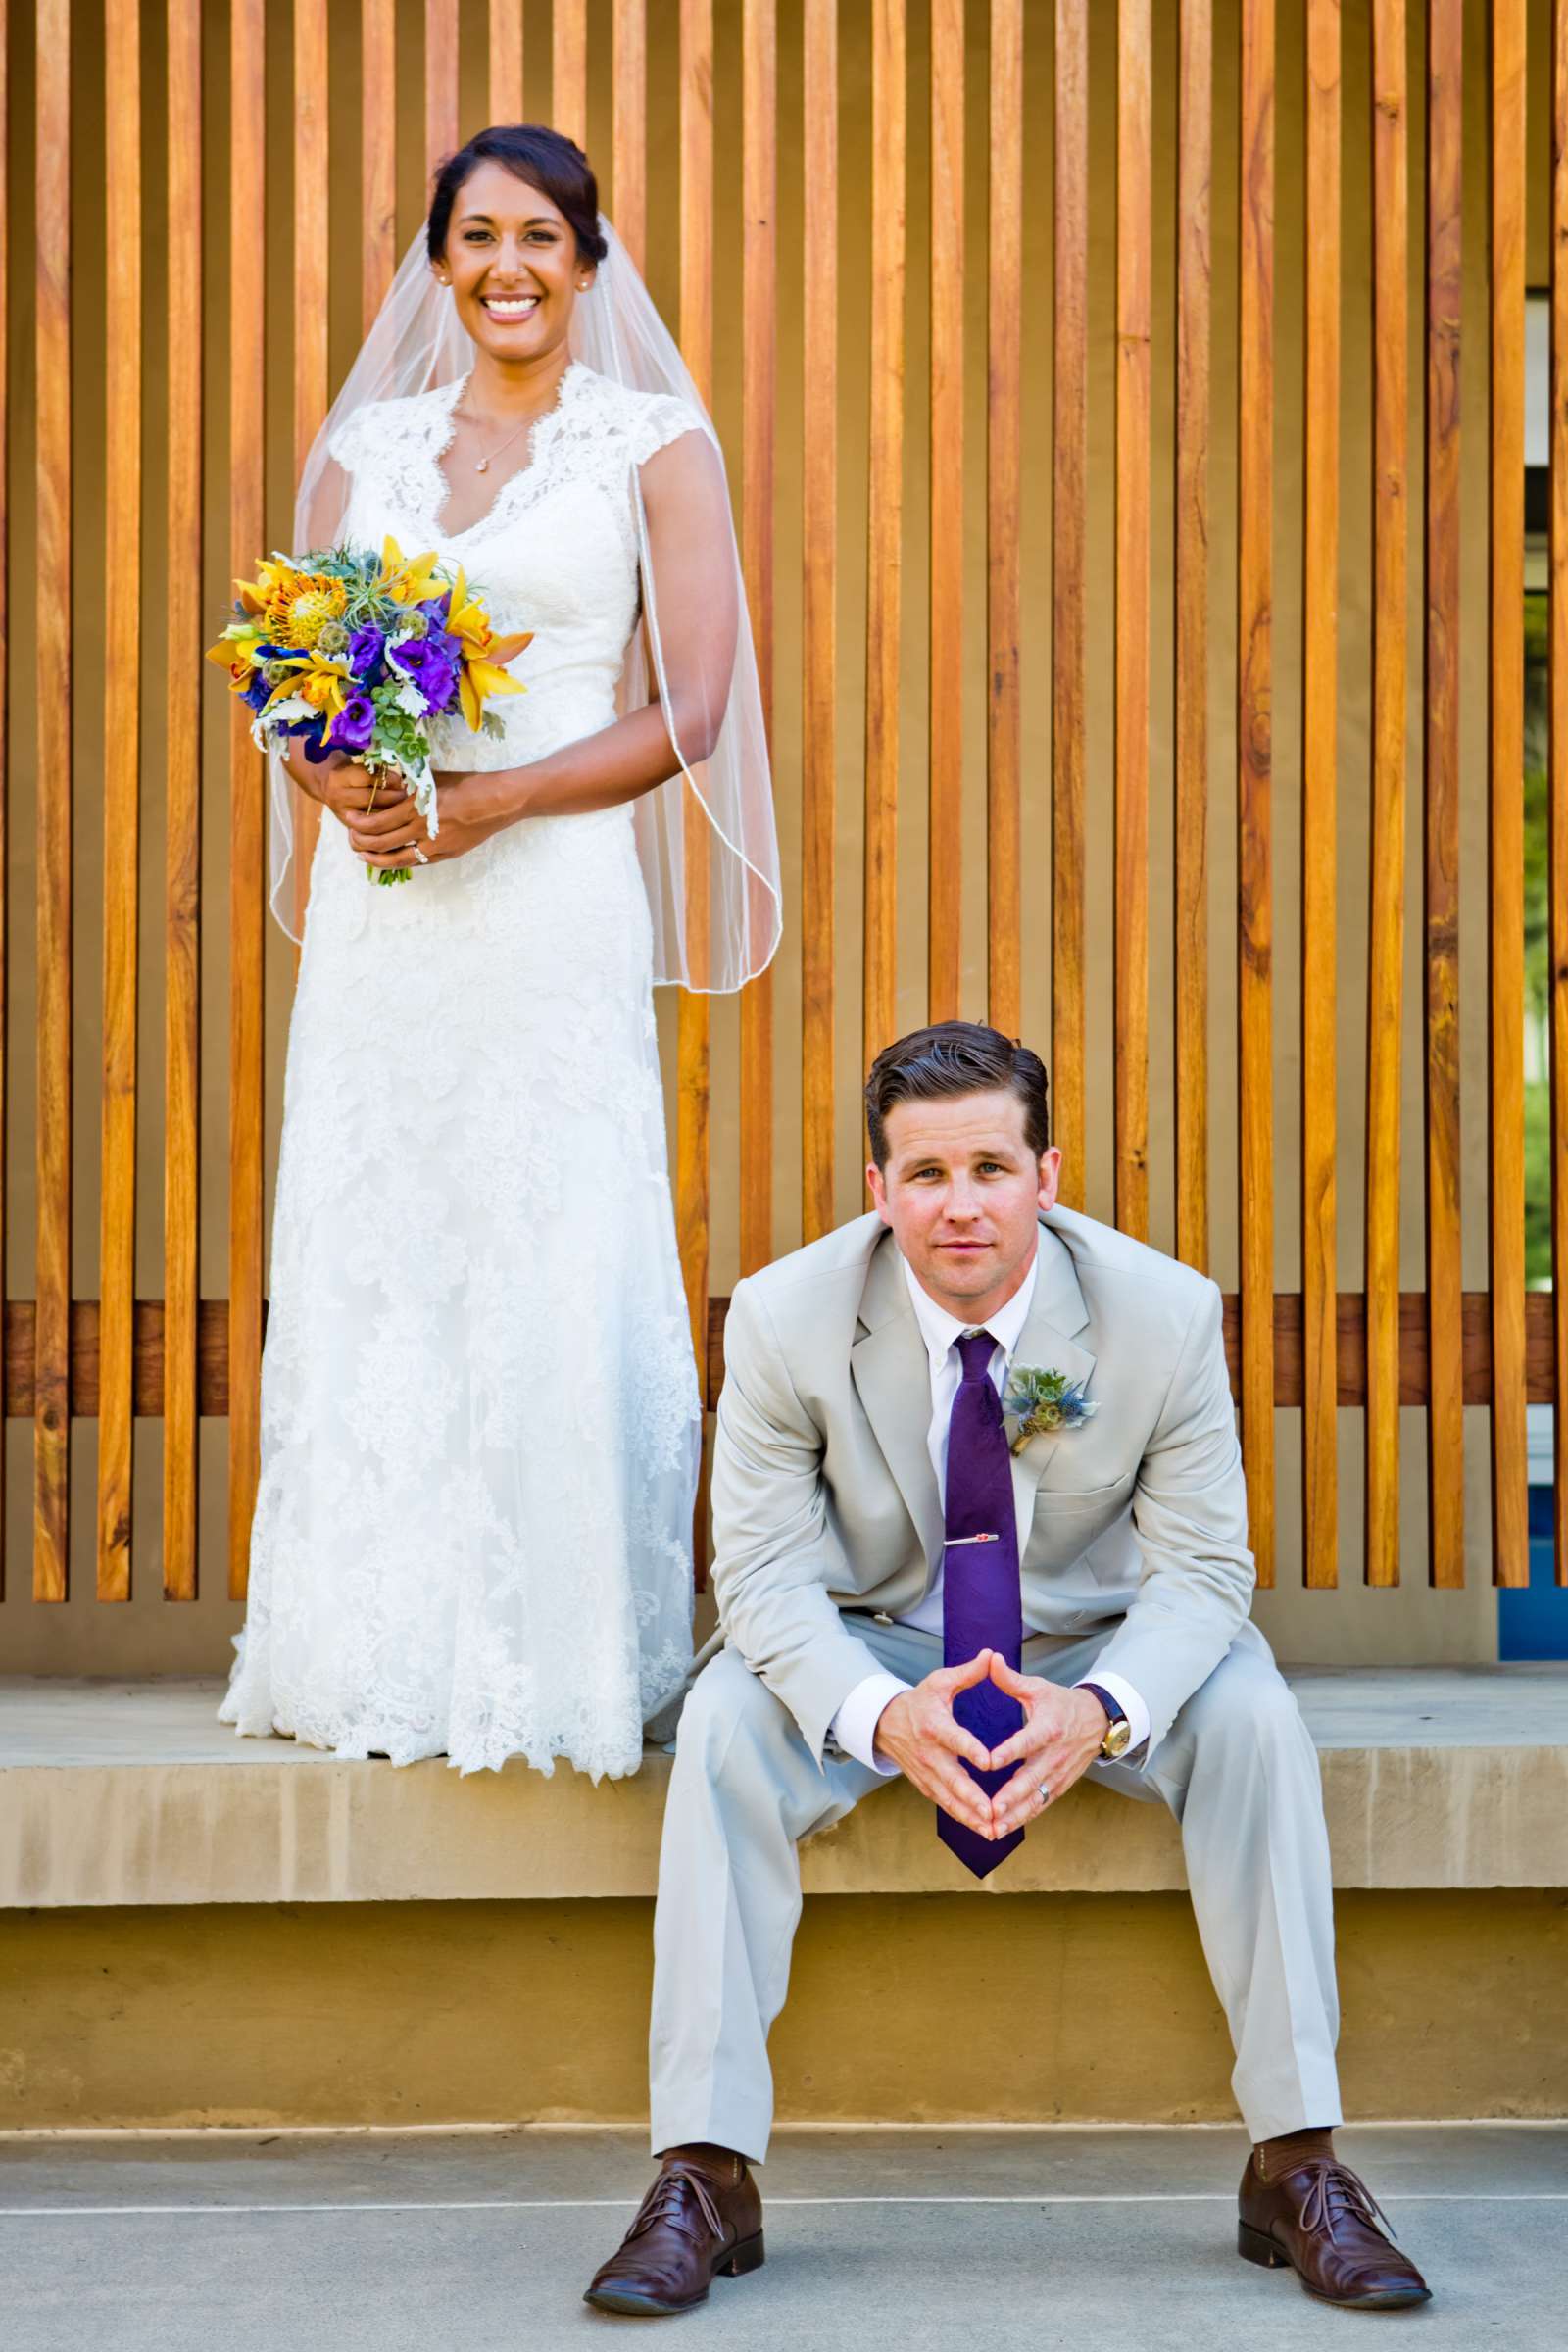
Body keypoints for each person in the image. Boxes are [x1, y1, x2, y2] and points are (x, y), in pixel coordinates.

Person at [585, 1021, 1431, 2316]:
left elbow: (1204, 1573)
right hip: (874, 1633)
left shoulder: (1162, 1314)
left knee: (1254, 1717)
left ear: (1047, 1174)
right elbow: (760, 1579)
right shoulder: (782, 1319)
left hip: (1092, 1642)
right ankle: (705, 2172)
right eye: (925, 1175)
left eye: (991, 1166)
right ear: (878, 1191)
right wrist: (879, 1716)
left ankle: (1298, 2160)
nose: (961, 1206)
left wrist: (1099, 1710)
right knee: (720, 1729)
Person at [220, 125, 779, 1779]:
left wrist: (496, 801)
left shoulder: (652, 446)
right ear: (440, 264)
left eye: (542, 235)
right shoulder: (365, 452)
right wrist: (329, 778)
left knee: (549, 1228)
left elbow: (692, 707)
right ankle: (360, 1646)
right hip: (382, 916)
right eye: (477, 236)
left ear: (590, 265)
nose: (509, 265)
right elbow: (293, 677)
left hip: (546, 902)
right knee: (380, 1229)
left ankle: (561, 1657)